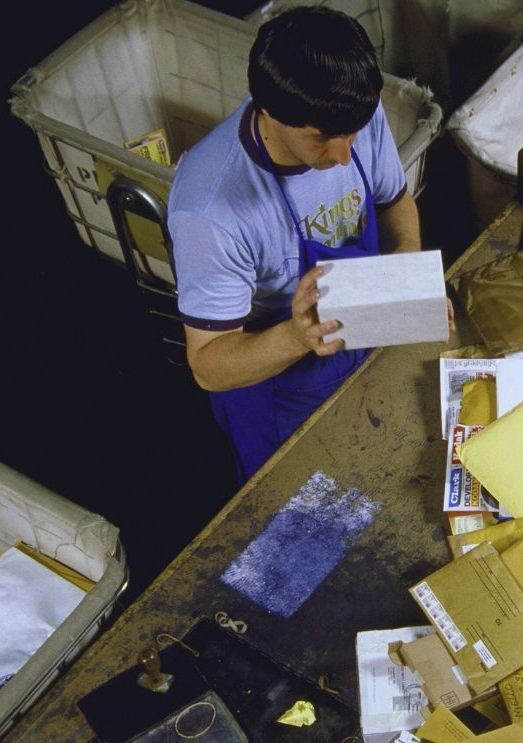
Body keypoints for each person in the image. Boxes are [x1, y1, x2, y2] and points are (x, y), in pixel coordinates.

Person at [169, 6, 420, 483]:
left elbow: (395, 202)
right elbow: (208, 366)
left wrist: (405, 277)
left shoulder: (350, 118)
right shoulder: (210, 210)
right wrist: (297, 336)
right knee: (304, 506)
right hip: (276, 374)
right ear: (270, 111)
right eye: (323, 139)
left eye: (353, 134)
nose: (345, 154)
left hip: (358, 324)